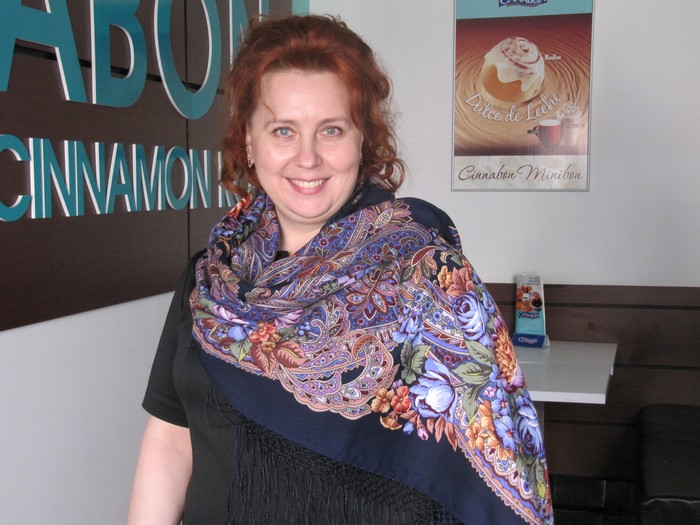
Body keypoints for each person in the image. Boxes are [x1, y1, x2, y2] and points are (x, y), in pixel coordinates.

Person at [127, 15, 553, 525]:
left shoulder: (424, 278)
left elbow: (486, 469)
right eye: (283, 130)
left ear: (362, 140)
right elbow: (172, 437)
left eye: (331, 130)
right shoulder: (209, 279)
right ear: (249, 143)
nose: (307, 158)